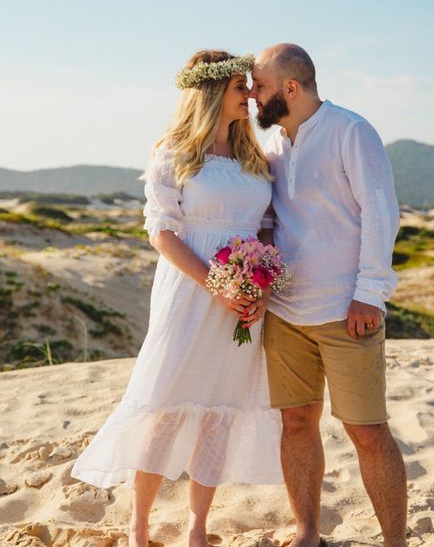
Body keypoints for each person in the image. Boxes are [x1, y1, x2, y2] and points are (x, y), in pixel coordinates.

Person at [71, 50, 282, 547]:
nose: (250, 95)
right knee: (165, 407)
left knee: (219, 410)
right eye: (239, 87)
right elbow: (161, 232)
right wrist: (217, 285)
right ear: (210, 92)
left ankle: (196, 527)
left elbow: (269, 230)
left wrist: (259, 289)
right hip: (191, 291)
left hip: (245, 298)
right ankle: (139, 527)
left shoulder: (257, 156)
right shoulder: (173, 151)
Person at [250, 43, 407, 547]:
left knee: (367, 431)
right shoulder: (273, 146)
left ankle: (396, 541)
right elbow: (271, 222)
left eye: (261, 87)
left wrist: (369, 294)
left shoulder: (351, 131)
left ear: (290, 88)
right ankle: (308, 532)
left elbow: (381, 214)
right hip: (286, 313)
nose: (254, 96)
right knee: (296, 423)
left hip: (347, 311)